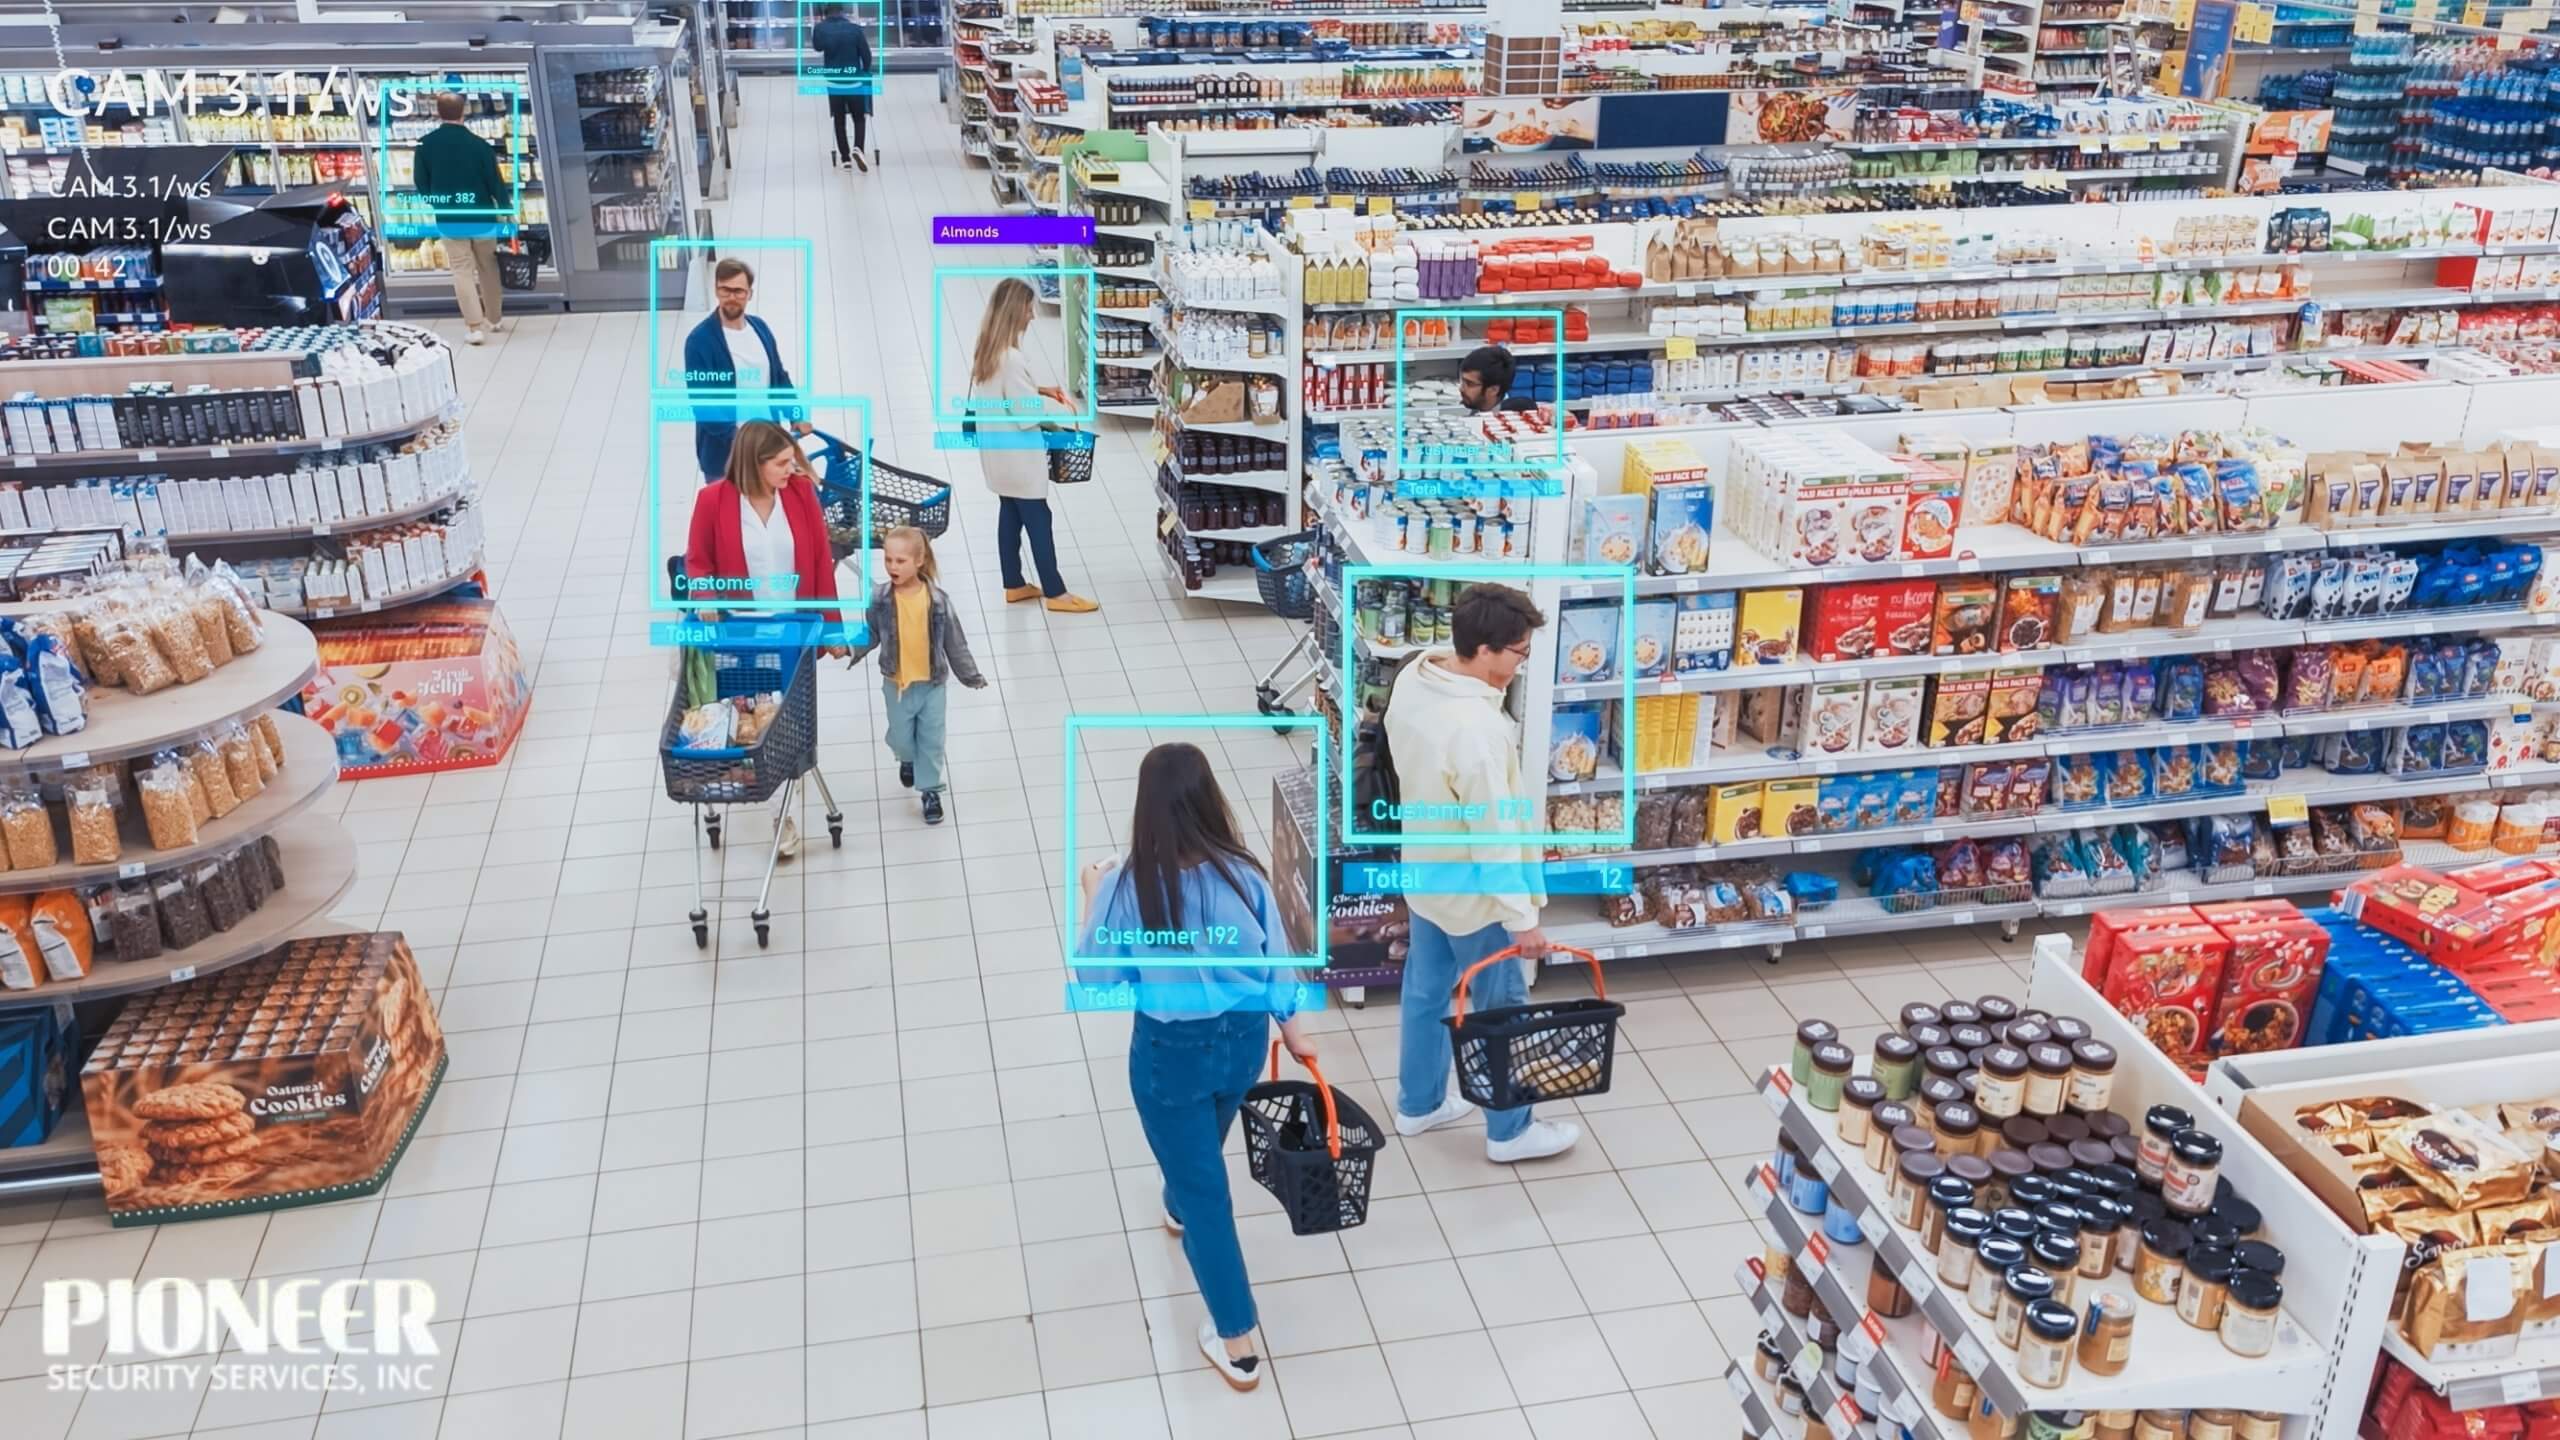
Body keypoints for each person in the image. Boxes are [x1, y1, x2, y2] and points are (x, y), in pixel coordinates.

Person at [1075, 742, 1318, 1392]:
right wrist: (1295, 1030)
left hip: (1169, 1054)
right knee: (1200, 1154)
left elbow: (1098, 977)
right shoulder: (1246, 874)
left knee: (1209, 1194)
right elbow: (1277, 962)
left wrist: (1091, 894)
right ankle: (1177, 1200)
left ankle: (1236, 1341)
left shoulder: (1129, 887)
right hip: (1242, 1040)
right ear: (1211, 801)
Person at [1380, 583, 1580, 1163]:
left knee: (1424, 991)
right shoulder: (1478, 733)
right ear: (1486, 649)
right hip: (1475, 897)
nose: (1521, 666)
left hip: (1425, 873)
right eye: (1518, 653)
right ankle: (1511, 1132)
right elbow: (1492, 835)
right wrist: (1522, 921)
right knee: (1500, 1011)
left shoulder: (1417, 677)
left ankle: (1418, 1105)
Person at [682, 421, 845, 858]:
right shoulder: (713, 501)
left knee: (788, 724)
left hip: (793, 632)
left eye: (791, 460)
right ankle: (779, 810)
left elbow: (820, 561)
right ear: (754, 464)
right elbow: (697, 562)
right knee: (760, 724)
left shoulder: (800, 494)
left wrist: (832, 627)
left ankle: (781, 805)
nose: (791, 469)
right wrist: (706, 594)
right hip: (743, 635)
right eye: (780, 463)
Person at [965, 277, 1098, 614]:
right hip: (1019, 459)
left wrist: (1038, 389)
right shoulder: (1011, 358)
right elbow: (1026, 416)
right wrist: (1052, 415)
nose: (1032, 316)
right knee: (1039, 519)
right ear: (1015, 312)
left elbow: (1003, 393)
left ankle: (1014, 584)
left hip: (997, 455)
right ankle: (1056, 592)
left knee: (1009, 515)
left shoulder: (987, 350)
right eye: (1028, 308)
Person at [842, 527, 986, 826]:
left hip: (932, 685)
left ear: (919, 561)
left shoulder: (937, 600)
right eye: (888, 560)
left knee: (932, 741)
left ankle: (930, 790)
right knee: (902, 738)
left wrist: (970, 676)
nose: (893, 567)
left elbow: (954, 643)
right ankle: (905, 758)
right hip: (896, 686)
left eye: (901, 561)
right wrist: (847, 647)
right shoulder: (880, 598)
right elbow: (870, 634)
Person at [684, 258, 808, 484]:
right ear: (716, 290)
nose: (732, 297)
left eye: (739, 291)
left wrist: (796, 414)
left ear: (749, 293)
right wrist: (742, 441)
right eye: (725, 290)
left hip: (768, 451)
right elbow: (703, 405)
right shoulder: (699, 341)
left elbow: (779, 378)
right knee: (731, 518)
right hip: (726, 458)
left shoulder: (759, 328)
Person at [409, 93, 509, 347]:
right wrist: (506, 209)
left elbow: (421, 182)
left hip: (450, 219)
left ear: (438, 113)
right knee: (489, 268)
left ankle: (474, 327)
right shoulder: (479, 145)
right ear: (463, 112)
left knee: (462, 271)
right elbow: (495, 182)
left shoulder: (425, 145)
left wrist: (437, 202)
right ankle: (494, 319)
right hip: (482, 217)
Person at [811, 4, 876, 171]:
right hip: (854, 80)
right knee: (859, 117)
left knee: (839, 119)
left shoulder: (821, 28)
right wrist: (866, 72)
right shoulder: (854, 29)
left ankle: (845, 158)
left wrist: (818, 27)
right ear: (842, 12)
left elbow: (817, 47)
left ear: (826, 14)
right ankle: (858, 148)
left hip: (834, 81)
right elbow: (866, 55)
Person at [1458, 344, 1526, 413]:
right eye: (1462, 381)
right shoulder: (1476, 409)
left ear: (1494, 390)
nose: (1461, 389)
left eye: (1470, 384)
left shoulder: (1506, 420)